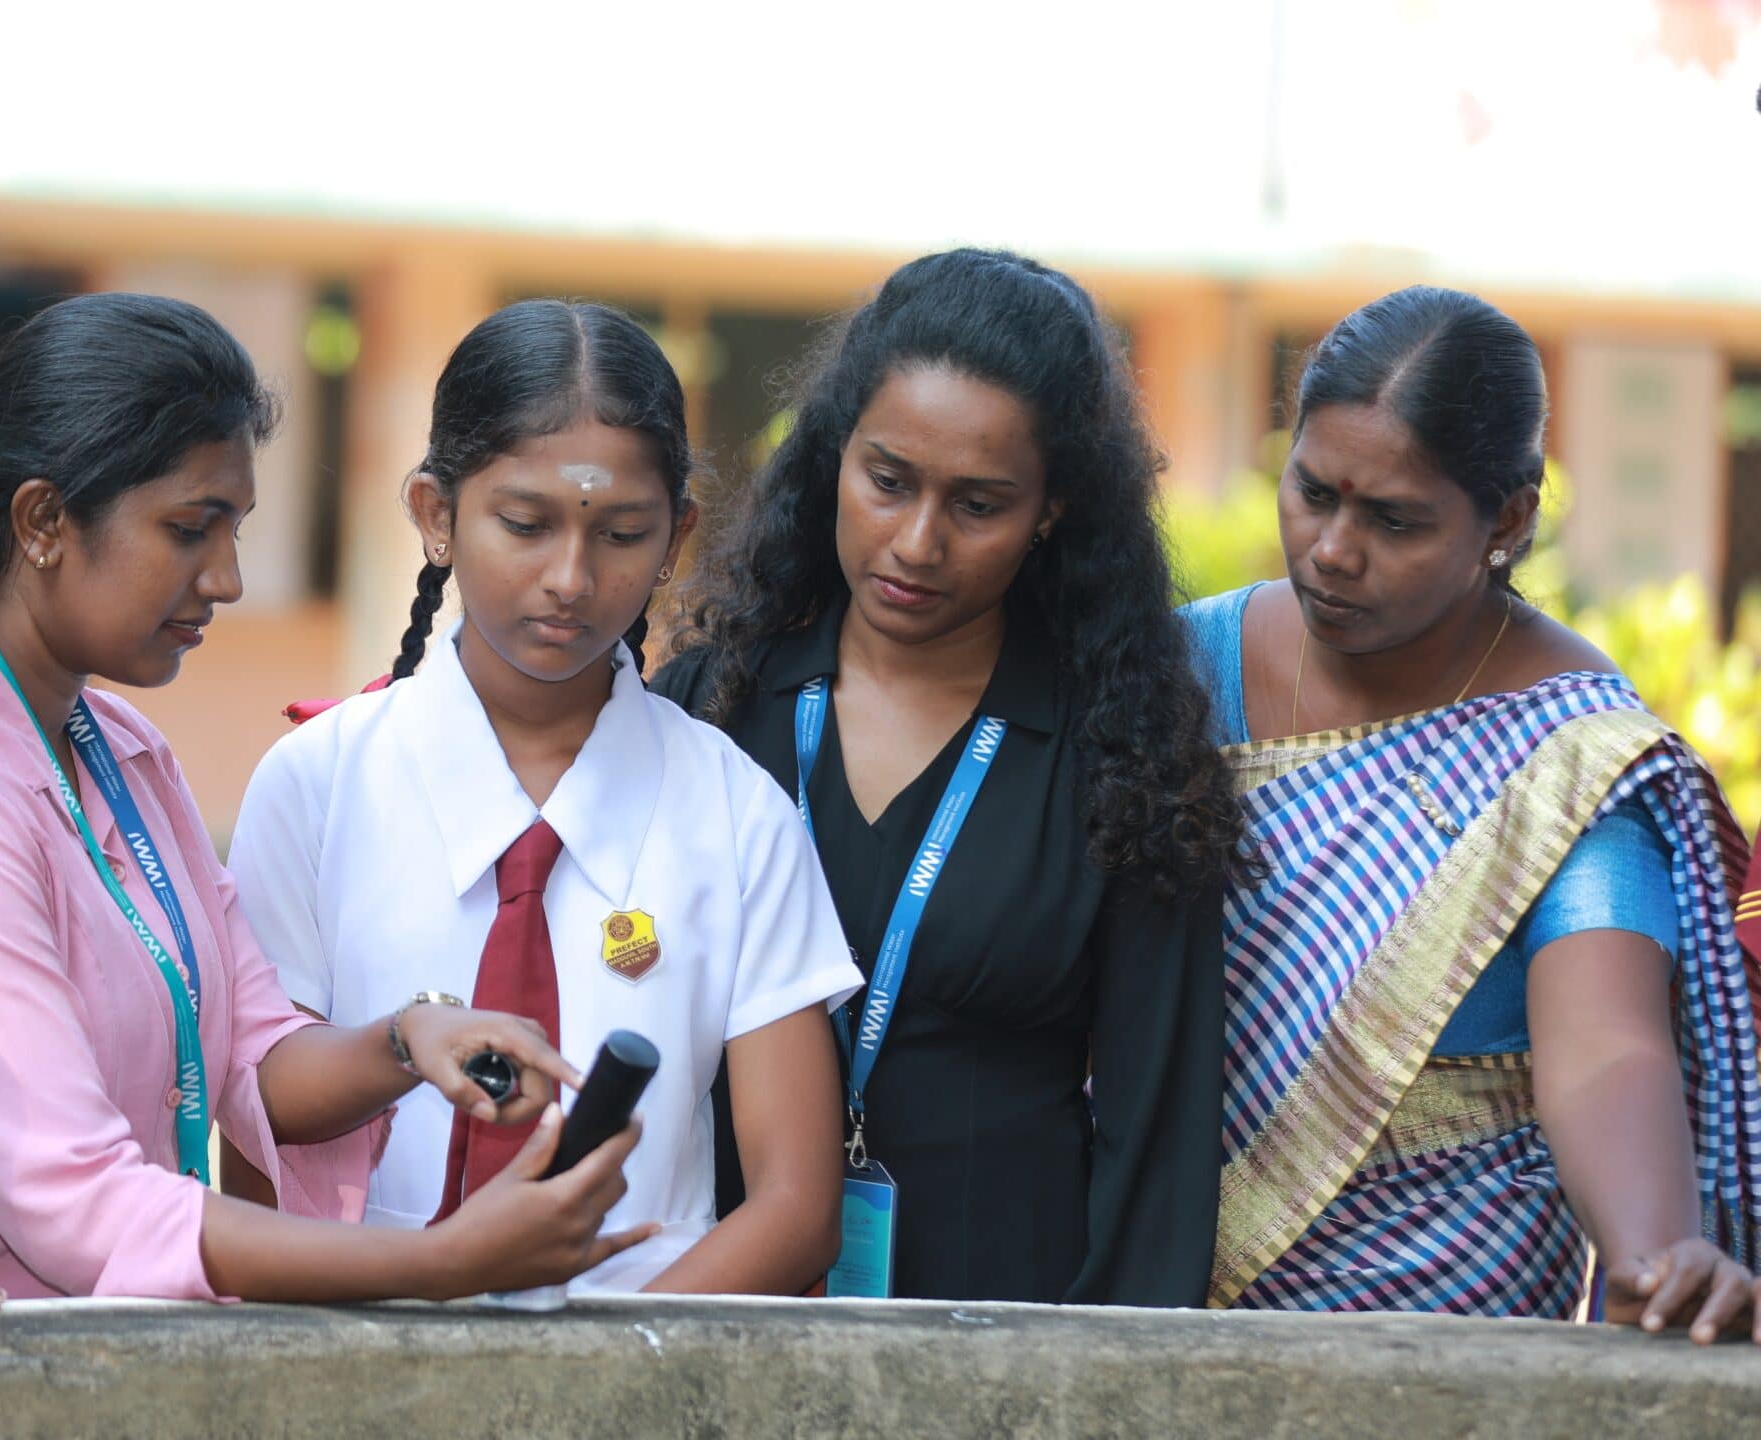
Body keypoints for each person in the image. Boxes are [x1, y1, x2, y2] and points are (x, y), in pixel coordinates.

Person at [0, 292, 651, 1303]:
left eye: (233, 530)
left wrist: (409, 1039)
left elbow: (245, 1045)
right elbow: (79, 1201)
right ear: (44, 521)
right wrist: (443, 1260)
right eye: (191, 530)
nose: (227, 579)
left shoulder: (118, 748)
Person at [231, 299, 863, 1296]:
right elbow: (256, 1104)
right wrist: (402, 1042)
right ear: (435, 514)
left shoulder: (736, 814)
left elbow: (795, 1207)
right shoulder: (320, 782)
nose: (570, 578)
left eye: (619, 532)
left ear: (676, 535)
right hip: (359, 1349)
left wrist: (607, 1385)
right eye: (523, 524)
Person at [655, 249, 1239, 1305]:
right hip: (713, 1323)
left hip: (1011, 1350)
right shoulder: (708, 710)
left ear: (1052, 509)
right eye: (887, 481)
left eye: (978, 504)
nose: (916, 543)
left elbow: (1157, 1143)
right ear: (833, 453)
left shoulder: (1122, 754)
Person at [1180, 286, 1761, 1342]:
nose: (1332, 551)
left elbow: (1605, 1039)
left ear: (1508, 517)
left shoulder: (1568, 752)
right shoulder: (1176, 673)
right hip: (1155, 1296)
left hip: (1446, 1322)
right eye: (1312, 493)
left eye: (1394, 520)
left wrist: (1652, 1249)